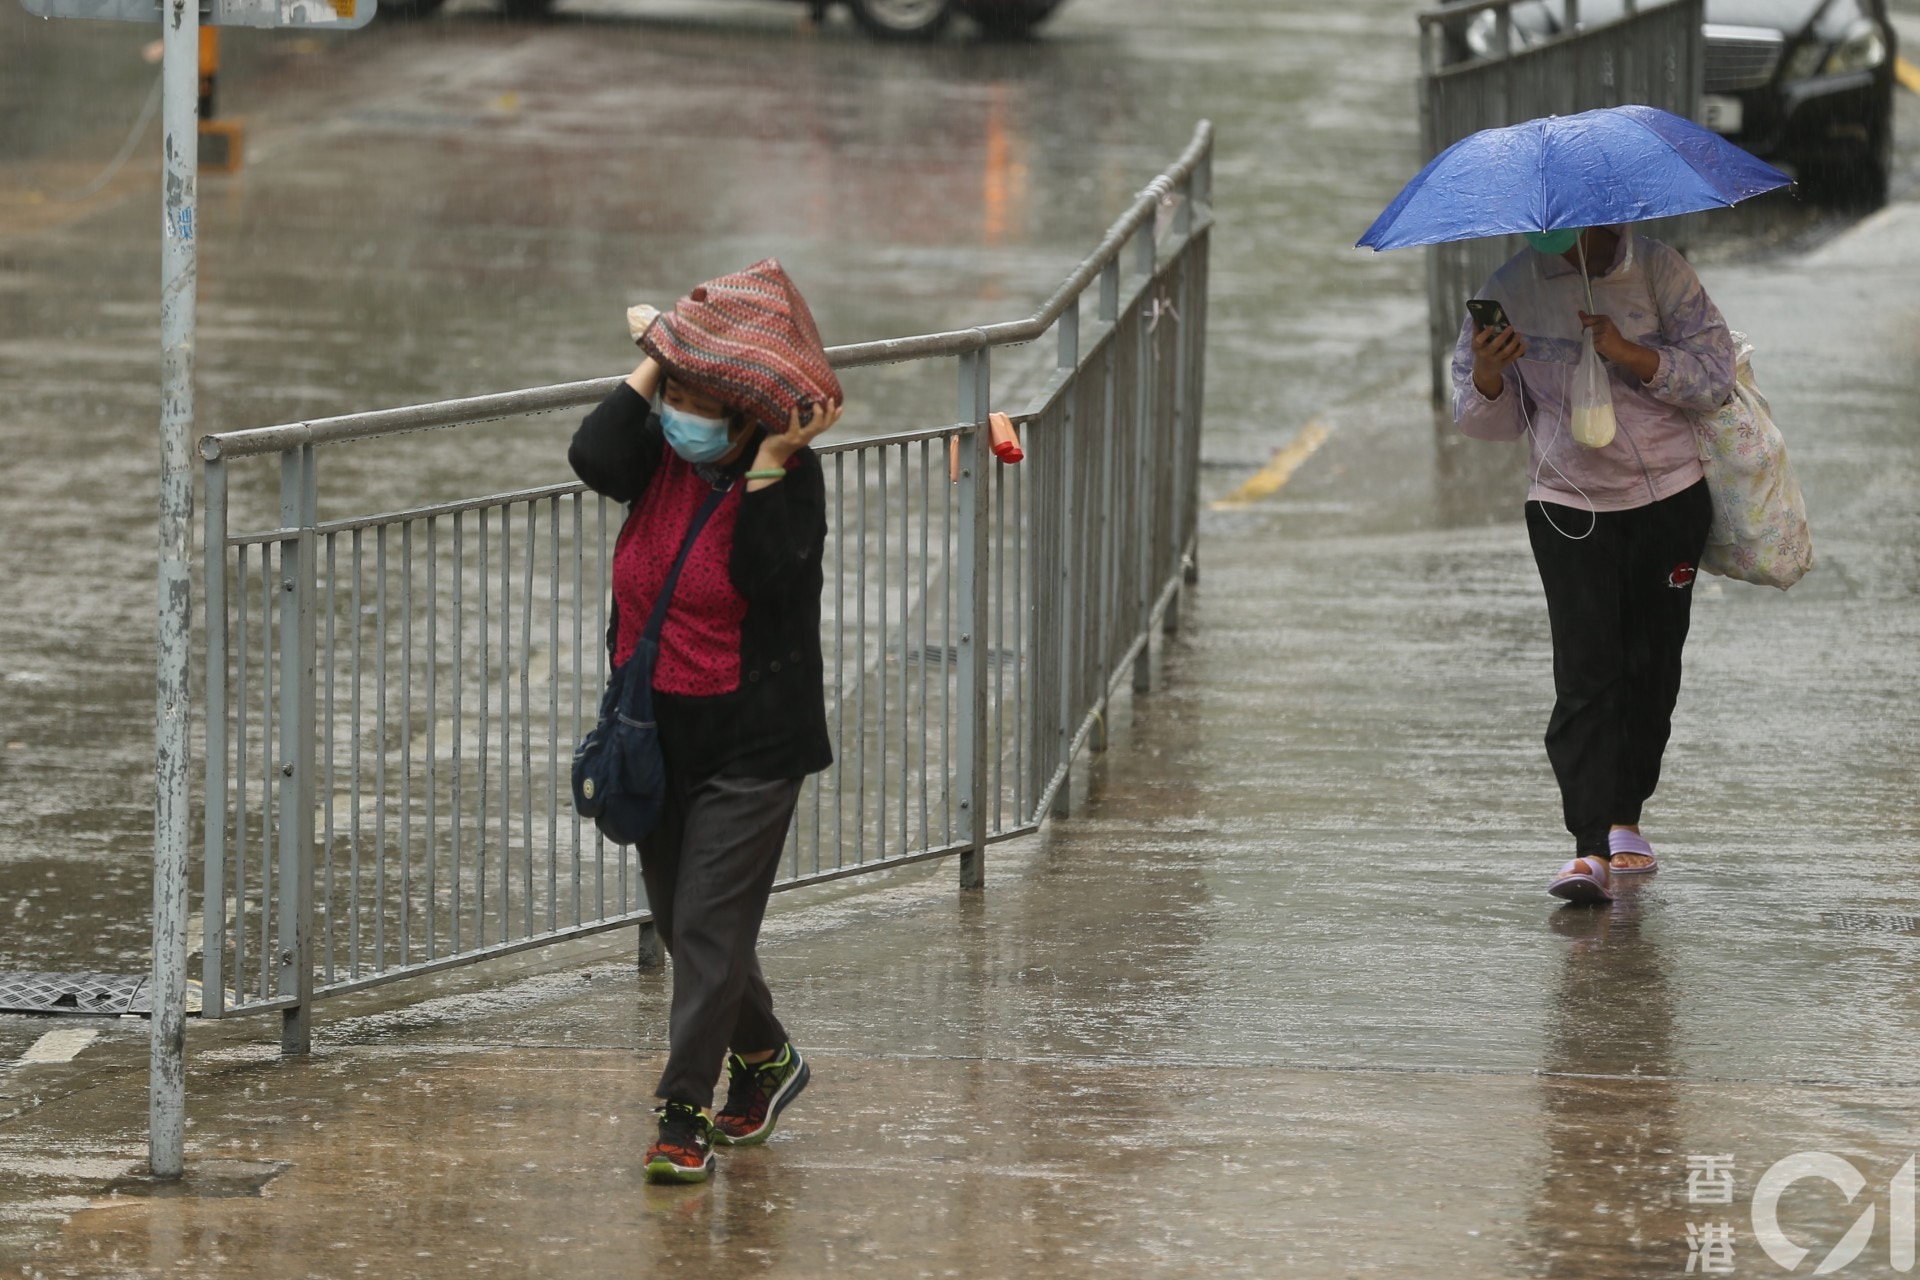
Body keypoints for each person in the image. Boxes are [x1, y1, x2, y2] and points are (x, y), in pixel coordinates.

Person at [568, 261, 843, 1184]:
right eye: (673, 396)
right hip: (656, 736)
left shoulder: (786, 481)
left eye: (700, 400)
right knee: (691, 927)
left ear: (745, 412)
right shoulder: (655, 457)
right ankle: (767, 1059)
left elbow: (771, 577)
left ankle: (683, 1114)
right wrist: (659, 360)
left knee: (709, 932)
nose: (680, 414)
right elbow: (593, 455)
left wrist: (768, 465)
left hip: (752, 746)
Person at [1452, 224, 1734, 905]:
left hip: (1667, 496)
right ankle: (1587, 851)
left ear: (1612, 219)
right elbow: (1481, 416)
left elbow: (1717, 376)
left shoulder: (1662, 275)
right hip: (1565, 502)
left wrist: (1630, 353)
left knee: (1651, 664)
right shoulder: (1511, 287)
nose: (1564, 240)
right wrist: (1492, 372)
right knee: (1586, 671)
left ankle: (1625, 814)